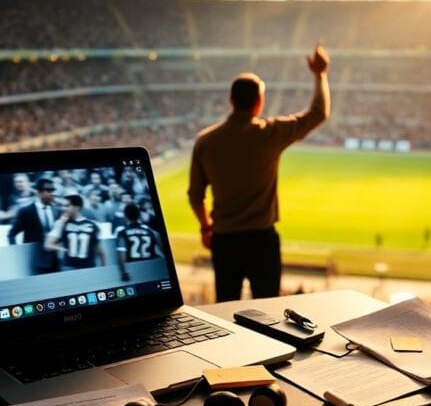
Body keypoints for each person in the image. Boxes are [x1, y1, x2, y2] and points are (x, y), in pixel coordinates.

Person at [188, 43, 330, 301]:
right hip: (261, 242)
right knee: (268, 313)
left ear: (231, 100)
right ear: (259, 102)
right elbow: (319, 113)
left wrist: (205, 227)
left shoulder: (205, 141)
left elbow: (195, 195)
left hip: (224, 241)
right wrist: (320, 75)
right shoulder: (269, 134)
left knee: (225, 312)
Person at [8, 178, 60, 274]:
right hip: (35, 264)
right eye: (48, 191)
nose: (52, 193)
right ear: (39, 193)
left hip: (55, 263)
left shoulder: (57, 211)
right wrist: (17, 253)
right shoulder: (26, 212)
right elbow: (11, 234)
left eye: (53, 190)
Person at [45, 195, 105, 271]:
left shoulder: (92, 225)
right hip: (68, 267)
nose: (63, 209)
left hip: (88, 267)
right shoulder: (61, 223)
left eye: (67, 206)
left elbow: (99, 251)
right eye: (63, 206)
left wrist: (103, 269)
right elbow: (48, 245)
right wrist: (61, 249)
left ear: (77, 207)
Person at [115, 203, 163, 282]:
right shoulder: (150, 231)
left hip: (134, 271)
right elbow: (162, 248)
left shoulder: (122, 232)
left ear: (125, 216)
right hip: (152, 270)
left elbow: (121, 256)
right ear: (139, 215)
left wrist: (123, 273)